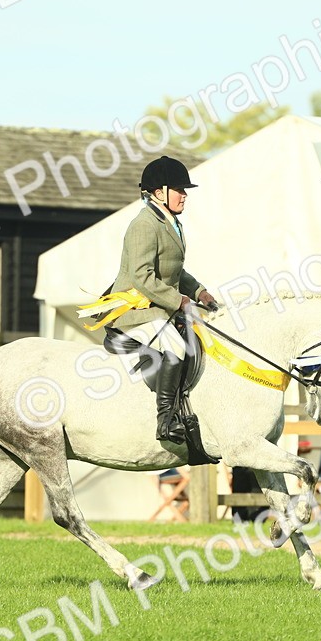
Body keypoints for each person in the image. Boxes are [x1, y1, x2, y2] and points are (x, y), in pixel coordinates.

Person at [105, 155, 219, 443]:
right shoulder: (144, 225)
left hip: (158, 305)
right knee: (176, 347)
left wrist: (198, 292)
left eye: (185, 191)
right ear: (159, 193)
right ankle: (166, 421)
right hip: (134, 309)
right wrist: (179, 300)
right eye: (179, 190)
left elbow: (174, 270)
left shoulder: (169, 222)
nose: (184, 196)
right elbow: (142, 276)